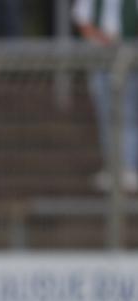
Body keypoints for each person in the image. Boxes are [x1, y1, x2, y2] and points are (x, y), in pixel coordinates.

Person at [73, 0, 138, 194]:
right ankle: (113, 167)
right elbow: (82, 20)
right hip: (101, 60)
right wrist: (105, 41)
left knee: (129, 115)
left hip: (130, 61)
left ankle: (128, 166)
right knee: (106, 115)